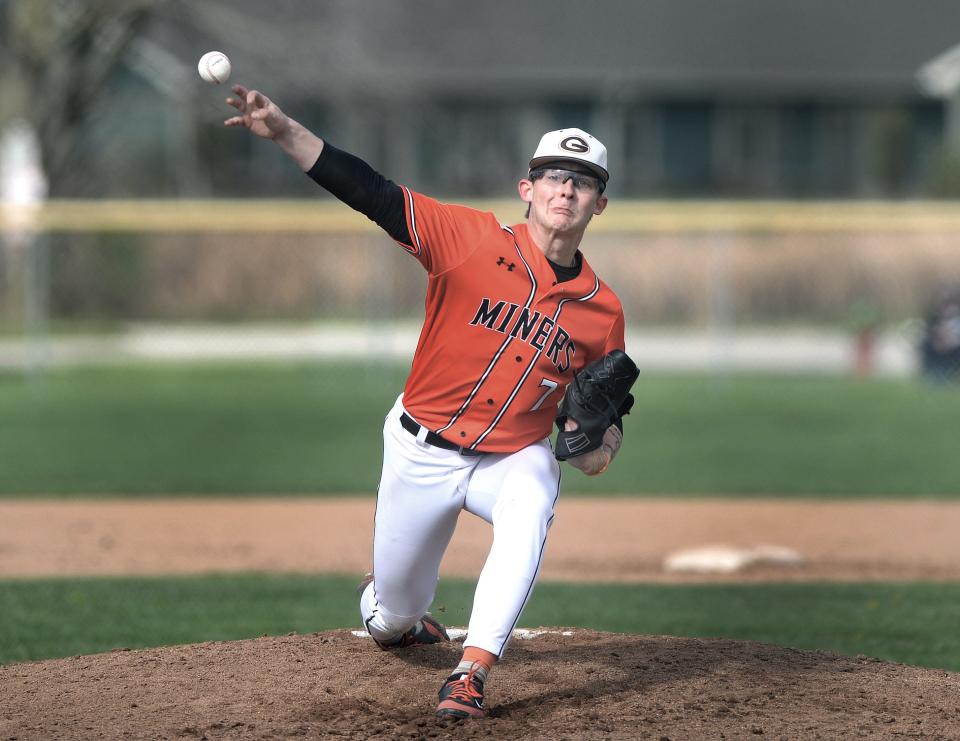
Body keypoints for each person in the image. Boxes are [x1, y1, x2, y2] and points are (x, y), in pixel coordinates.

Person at [225, 85, 627, 719]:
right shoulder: (466, 238)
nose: (565, 190)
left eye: (581, 181)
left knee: (538, 484)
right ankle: (393, 613)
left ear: (599, 203)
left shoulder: (603, 314)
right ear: (528, 190)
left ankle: (472, 670)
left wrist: (591, 442)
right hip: (421, 448)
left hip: (507, 459)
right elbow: (371, 191)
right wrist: (282, 131)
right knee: (393, 616)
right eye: (553, 175)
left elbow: (600, 451)